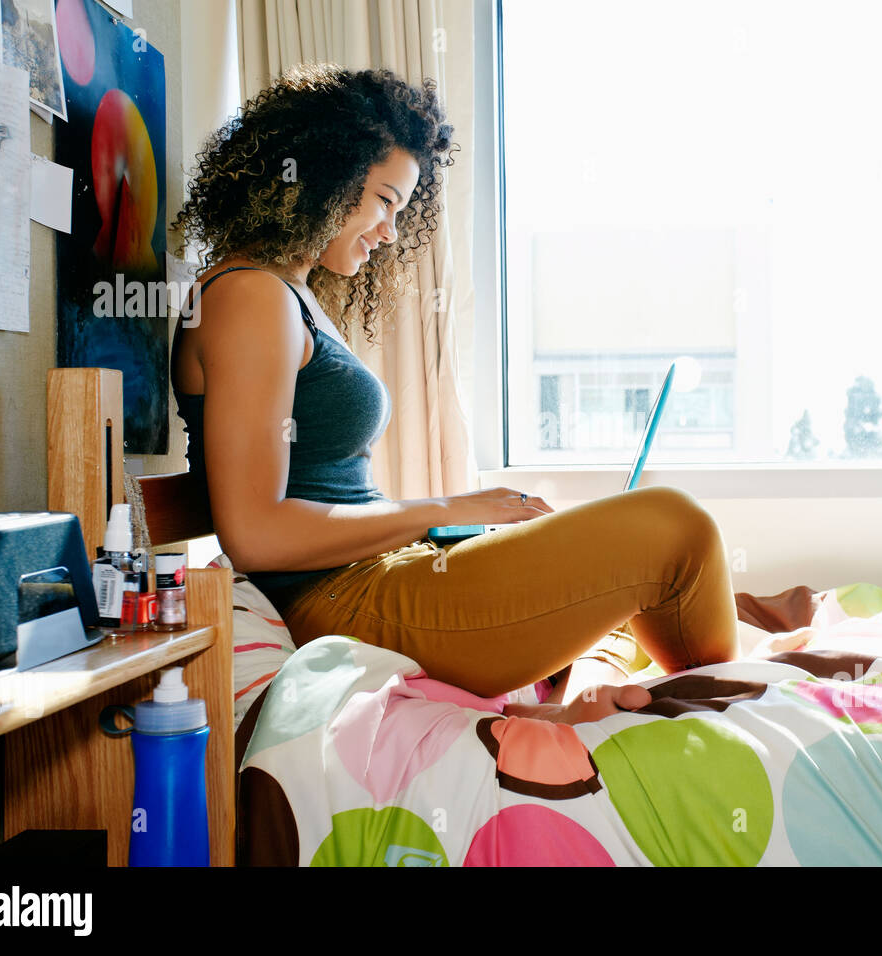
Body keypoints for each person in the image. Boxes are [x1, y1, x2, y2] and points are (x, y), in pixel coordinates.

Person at [169, 64, 740, 723]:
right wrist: (445, 505)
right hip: (350, 598)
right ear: (325, 172)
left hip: (384, 574)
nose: (388, 230)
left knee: (626, 573)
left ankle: (697, 701)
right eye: (385, 200)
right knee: (675, 526)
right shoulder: (248, 296)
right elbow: (256, 534)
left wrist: (449, 524)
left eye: (399, 211)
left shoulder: (287, 294)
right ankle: (733, 710)